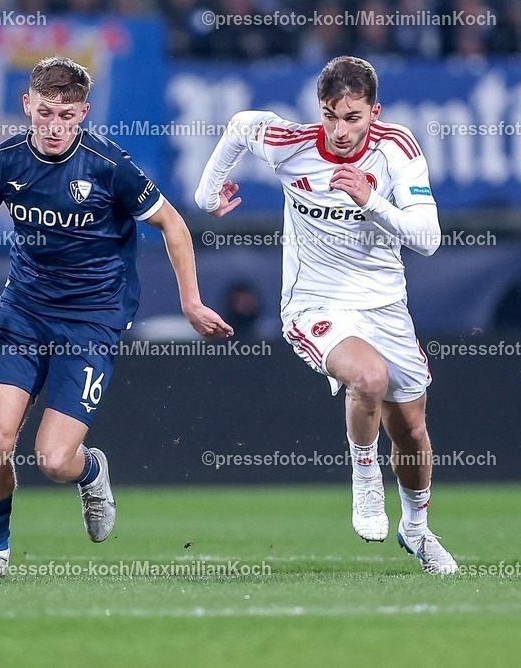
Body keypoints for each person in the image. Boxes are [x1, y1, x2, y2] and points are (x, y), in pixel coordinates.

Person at [0, 56, 232, 579]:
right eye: (46, 113)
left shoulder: (109, 165)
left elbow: (173, 226)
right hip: (23, 313)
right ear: (27, 105)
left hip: (92, 318)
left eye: (67, 115)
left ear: (84, 113)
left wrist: (190, 301)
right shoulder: (2, 161)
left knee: (54, 460)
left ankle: (92, 468)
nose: (54, 127)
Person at [194, 55, 458, 574]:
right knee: (369, 377)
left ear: (373, 112)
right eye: (330, 116)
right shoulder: (292, 145)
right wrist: (208, 194)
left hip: (385, 306)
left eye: (353, 117)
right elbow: (241, 126)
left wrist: (370, 199)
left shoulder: (396, 149)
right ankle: (364, 479)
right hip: (314, 303)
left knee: (411, 430)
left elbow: (428, 239)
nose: (339, 130)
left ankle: (418, 531)